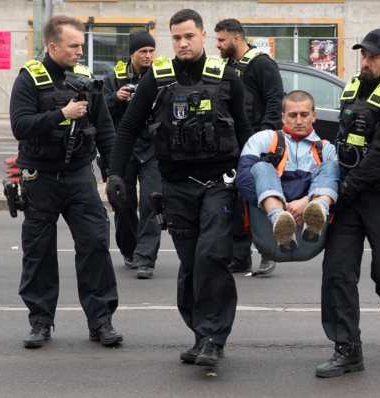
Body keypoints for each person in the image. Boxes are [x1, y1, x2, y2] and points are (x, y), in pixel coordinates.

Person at [106, 9, 251, 368]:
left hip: (220, 184)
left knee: (211, 257)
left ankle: (215, 337)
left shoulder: (228, 77)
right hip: (175, 187)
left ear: (203, 36)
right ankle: (201, 333)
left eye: (189, 36)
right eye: (176, 38)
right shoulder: (157, 79)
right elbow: (127, 129)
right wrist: (114, 175)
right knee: (189, 265)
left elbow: (248, 134)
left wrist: (253, 183)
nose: (183, 43)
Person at [9, 15, 122, 349]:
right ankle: (40, 322)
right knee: (39, 252)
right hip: (39, 177)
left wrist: (113, 173)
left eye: (81, 46)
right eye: (73, 46)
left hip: (78, 177)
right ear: (52, 45)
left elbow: (104, 129)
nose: (79, 51)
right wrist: (62, 114)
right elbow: (20, 125)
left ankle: (101, 321)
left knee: (95, 246)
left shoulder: (86, 80)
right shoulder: (29, 79)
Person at [317, 28, 380, 378]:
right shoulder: (352, 90)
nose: (366, 61)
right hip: (350, 196)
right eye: (363, 55)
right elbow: (342, 140)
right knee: (337, 273)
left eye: (374, 56)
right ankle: (347, 349)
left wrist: (343, 192)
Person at [215, 18, 284, 276]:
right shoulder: (227, 66)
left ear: (236, 38)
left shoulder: (262, 64)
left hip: (256, 145)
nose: (218, 45)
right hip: (231, 143)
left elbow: (275, 102)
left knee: (258, 199)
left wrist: (264, 141)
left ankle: (269, 252)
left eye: (222, 40)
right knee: (235, 202)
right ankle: (240, 257)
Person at [236, 90, 338, 250]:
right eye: (293, 115)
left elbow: (340, 183)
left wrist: (306, 203)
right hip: (270, 217)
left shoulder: (326, 149)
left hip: (309, 217)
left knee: (332, 167)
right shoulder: (263, 139)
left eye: (304, 115)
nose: (298, 121)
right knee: (261, 167)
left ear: (314, 116)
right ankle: (279, 219)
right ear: (283, 117)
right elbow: (243, 178)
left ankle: (317, 211)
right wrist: (284, 208)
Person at [102, 31, 162, 279]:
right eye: (142, 52)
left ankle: (146, 257)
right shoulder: (114, 78)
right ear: (132, 54)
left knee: (152, 200)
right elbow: (99, 109)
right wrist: (116, 98)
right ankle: (130, 250)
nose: (148, 56)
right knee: (123, 203)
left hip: (153, 149)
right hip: (123, 148)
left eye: (151, 51)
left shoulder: (161, 76)